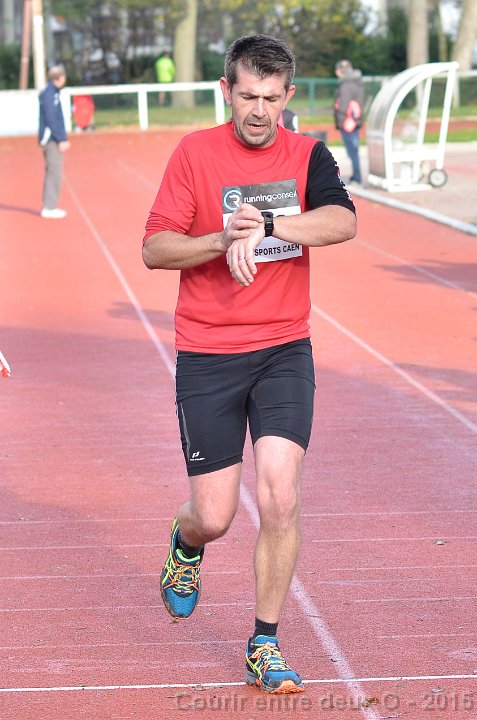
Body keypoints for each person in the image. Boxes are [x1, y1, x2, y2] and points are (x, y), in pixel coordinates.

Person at [143, 34, 356, 694]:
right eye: (247, 97)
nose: (259, 111)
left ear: (288, 96)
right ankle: (186, 544)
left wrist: (267, 225)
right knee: (214, 516)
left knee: (279, 495)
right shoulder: (194, 153)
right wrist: (220, 238)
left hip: (283, 350)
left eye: (271, 98)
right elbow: (155, 248)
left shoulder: (308, 154)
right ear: (225, 92)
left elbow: (341, 222)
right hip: (208, 354)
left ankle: (264, 643)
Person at [38, 65, 70, 219]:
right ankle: (49, 207)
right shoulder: (50, 93)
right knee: (54, 171)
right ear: (59, 78)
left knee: (54, 171)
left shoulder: (52, 92)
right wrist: (61, 138)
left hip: (52, 137)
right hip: (51, 139)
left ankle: (50, 205)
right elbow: (52, 118)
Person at [334, 59, 366, 184]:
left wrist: (340, 121)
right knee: (354, 150)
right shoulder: (357, 83)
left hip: (348, 123)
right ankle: (356, 176)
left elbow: (343, 104)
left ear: (339, 71)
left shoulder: (346, 84)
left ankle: (357, 178)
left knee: (352, 151)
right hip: (356, 121)